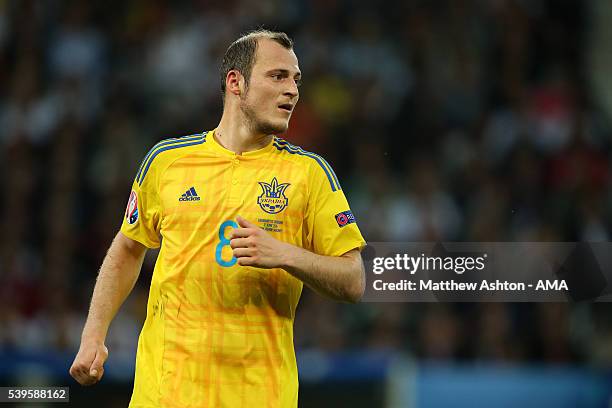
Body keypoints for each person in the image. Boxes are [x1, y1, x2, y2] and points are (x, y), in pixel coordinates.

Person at [69, 29, 366, 408]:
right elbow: (129, 247)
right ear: (235, 82)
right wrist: (94, 334)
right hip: (166, 394)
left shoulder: (309, 173)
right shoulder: (167, 161)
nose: (292, 90)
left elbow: (354, 279)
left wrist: (285, 254)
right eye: (278, 76)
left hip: (259, 395)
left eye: (296, 79)